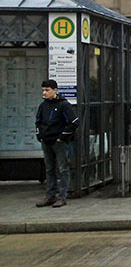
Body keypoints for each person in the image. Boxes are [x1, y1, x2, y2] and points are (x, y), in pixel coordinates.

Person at [35, 79, 80, 208]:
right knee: (49, 169)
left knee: (62, 168)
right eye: (43, 90)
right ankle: (50, 196)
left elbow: (74, 122)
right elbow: (38, 121)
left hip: (59, 142)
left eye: (47, 90)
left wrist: (62, 137)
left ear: (55, 90)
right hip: (46, 141)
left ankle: (62, 196)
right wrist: (40, 136)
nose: (44, 93)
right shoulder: (43, 105)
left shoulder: (63, 105)